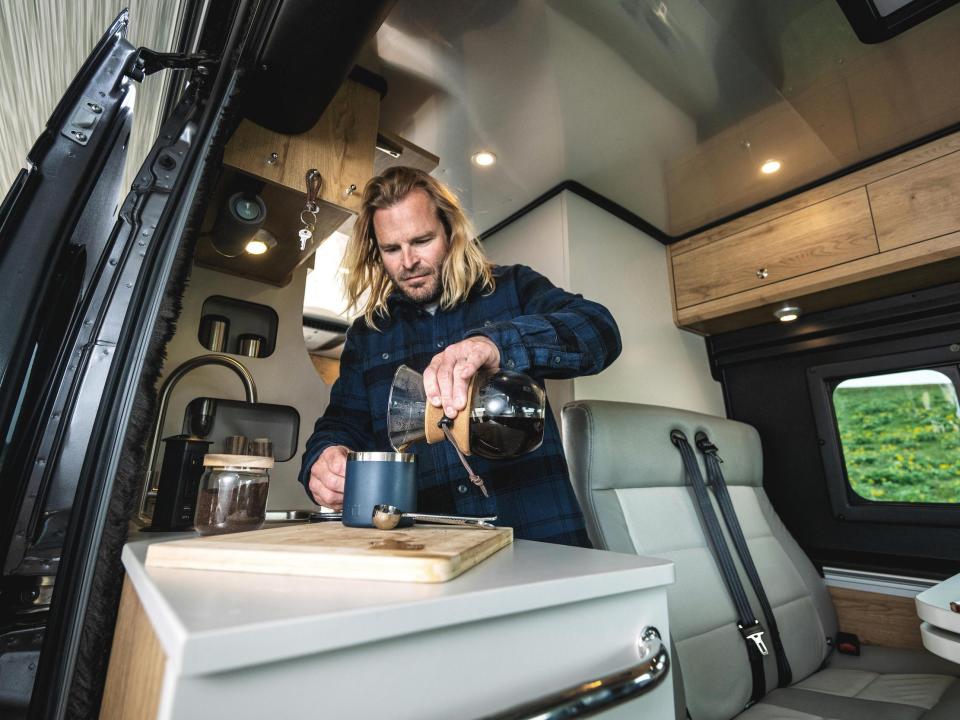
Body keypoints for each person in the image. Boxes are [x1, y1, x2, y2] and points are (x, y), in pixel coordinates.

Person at [298, 167, 620, 546]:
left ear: (450, 232)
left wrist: (496, 345)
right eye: (391, 248)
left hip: (540, 536)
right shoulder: (368, 335)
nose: (407, 262)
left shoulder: (512, 288)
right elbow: (341, 424)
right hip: (426, 552)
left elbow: (600, 330)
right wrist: (323, 460)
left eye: (421, 240)